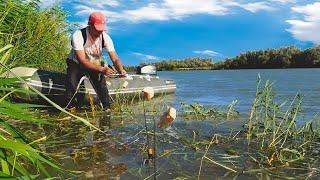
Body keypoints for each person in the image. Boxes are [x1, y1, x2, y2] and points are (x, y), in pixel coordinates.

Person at [66, 12, 126, 111]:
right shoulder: (78, 35)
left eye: (102, 29)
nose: (100, 32)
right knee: (72, 80)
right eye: (98, 29)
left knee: (101, 84)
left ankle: (107, 108)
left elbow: (115, 58)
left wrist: (121, 69)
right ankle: (70, 107)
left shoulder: (105, 37)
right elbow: (82, 60)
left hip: (94, 62)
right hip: (76, 63)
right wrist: (102, 69)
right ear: (90, 25)